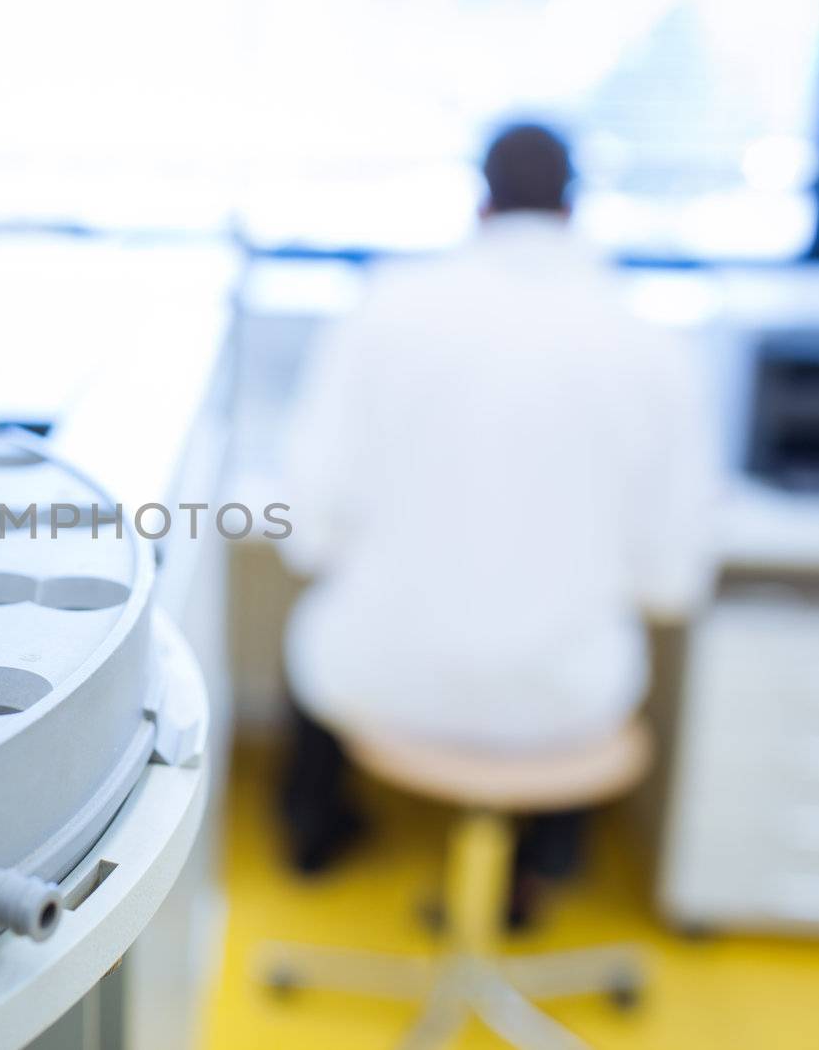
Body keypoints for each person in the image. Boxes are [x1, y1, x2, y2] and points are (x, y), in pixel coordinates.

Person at [277, 123, 718, 920]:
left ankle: (316, 831)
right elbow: (671, 585)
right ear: (573, 208)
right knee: (597, 645)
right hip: (565, 700)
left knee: (316, 620)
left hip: (383, 680)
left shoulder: (385, 310)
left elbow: (307, 531)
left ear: (480, 202)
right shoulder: (650, 344)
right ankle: (537, 868)